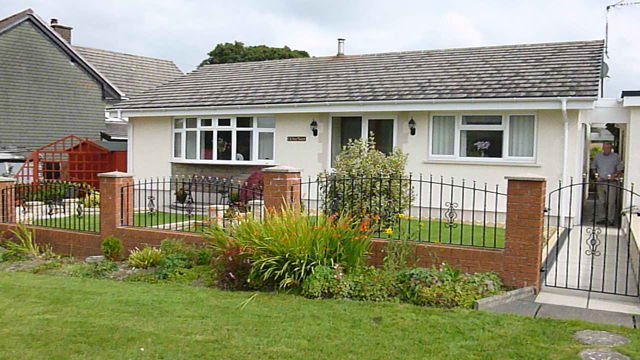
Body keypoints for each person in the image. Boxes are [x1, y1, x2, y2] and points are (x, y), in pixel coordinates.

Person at [591, 142, 623, 225]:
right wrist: (596, 176)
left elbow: (620, 168)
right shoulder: (598, 156)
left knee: (611, 202)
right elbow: (594, 167)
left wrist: (615, 175)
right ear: (602, 148)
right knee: (601, 201)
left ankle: (610, 219)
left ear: (611, 148)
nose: (606, 150)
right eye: (605, 148)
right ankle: (602, 218)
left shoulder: (615, 157)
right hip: (601, 181)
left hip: (611, 182)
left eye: (608, 148)